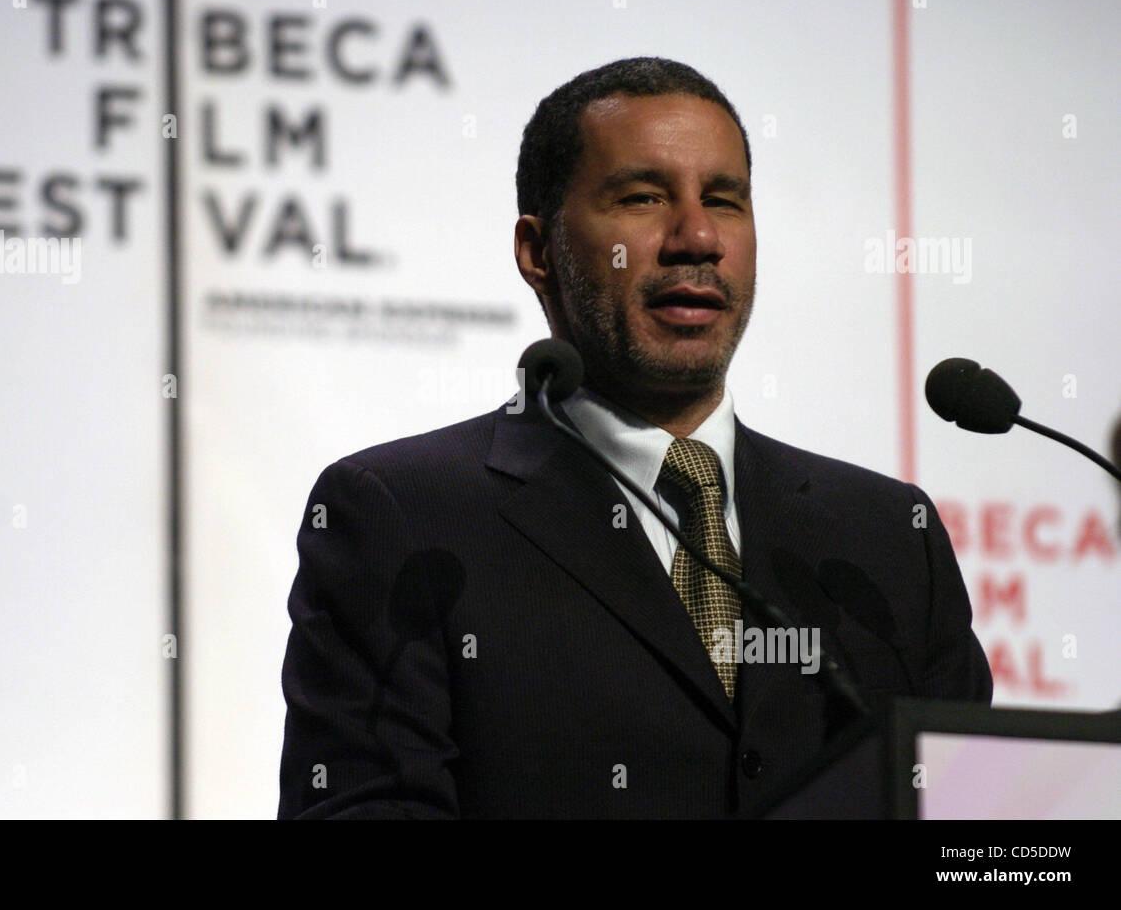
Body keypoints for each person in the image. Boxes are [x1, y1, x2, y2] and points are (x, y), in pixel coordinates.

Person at [277, 57, 992, 819]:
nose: (698, 236)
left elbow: (982, 838)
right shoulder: (404, 517)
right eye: (643, 197)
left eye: (725, 199)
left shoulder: (886, 540)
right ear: (538, 249)